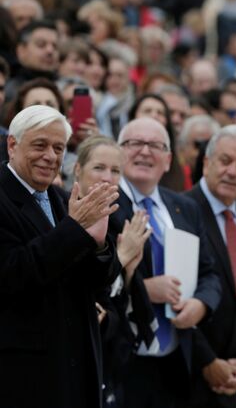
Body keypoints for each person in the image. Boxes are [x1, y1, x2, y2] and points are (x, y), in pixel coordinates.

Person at [0, 105, 121, 408]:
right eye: (40, 145)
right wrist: (74, 230)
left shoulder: (62, 198)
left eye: (59, 148)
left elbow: (96, 283)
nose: (51, 157)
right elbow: (13, 273)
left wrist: (100, 246)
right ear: (12, 145)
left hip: (75, 365)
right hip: (23, 376)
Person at [112, 117, 221, 408]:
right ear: (118, 152)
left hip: (176, 358)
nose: (145, 152)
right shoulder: (105, 204)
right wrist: (143, 289)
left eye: (155, 146)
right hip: (122, 360)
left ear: (168, 159)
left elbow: (209, 274)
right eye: (135, 143)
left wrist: (201, 304)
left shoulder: (185, 207)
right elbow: (90, 278)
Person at [185, 125, 236, 408]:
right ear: (207, 163)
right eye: (225, 160)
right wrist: (208, 361)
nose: (233, 171)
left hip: (233, 383)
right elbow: (176, 299)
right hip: (186, 378)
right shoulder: (180, 210)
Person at [73, 134, 152, 406]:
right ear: (77, 170)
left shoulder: (121, 223)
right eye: (99, 168)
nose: (107, 177)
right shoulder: (62, 217)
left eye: (115, 171)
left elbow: (122, 304)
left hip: (111, 362)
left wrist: (128, 273)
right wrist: (121, 256)